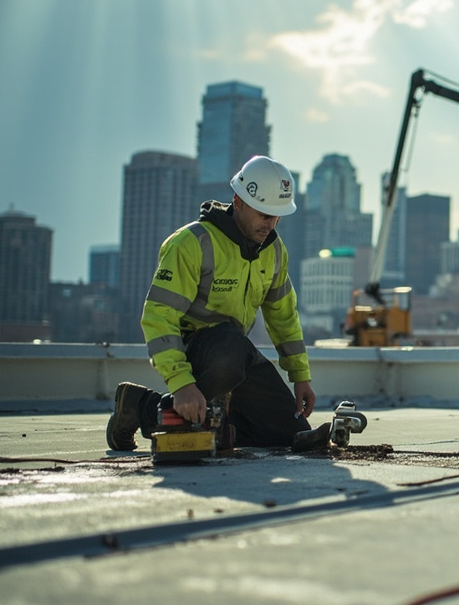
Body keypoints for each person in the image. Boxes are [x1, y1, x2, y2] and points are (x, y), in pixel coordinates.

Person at [107, 155, 331, 453]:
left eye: (277, 216)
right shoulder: (192, 243)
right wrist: (181, 383)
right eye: (264, 214)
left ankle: (187, 416)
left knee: (290, 433)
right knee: (229, 346)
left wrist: (301, 376)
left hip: (234, 355)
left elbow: (284, 317)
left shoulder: (274, 251)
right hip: (195, 350)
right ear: (238, 202)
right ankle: (144, 408)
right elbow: (158, 317)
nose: (271, 224)